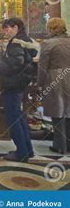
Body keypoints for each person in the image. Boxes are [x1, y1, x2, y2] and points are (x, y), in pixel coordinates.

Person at [0, 18, 39, 162]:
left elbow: (14, 65)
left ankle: (21, 152)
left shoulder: (15, 43)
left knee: (13, 118)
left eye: (7, 28)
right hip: (22, 83)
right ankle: (28, 149)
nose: (6, 32)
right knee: (19, 117)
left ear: (15, 27)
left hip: (13, 84)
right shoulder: (27, 40)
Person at [37, 18, 70, 154]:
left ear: (51, 29)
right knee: (68, 112)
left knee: (58, 112)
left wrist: (40, 84)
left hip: (56, 78)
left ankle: (59, 145)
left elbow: (42, 66)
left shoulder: (48, 44)